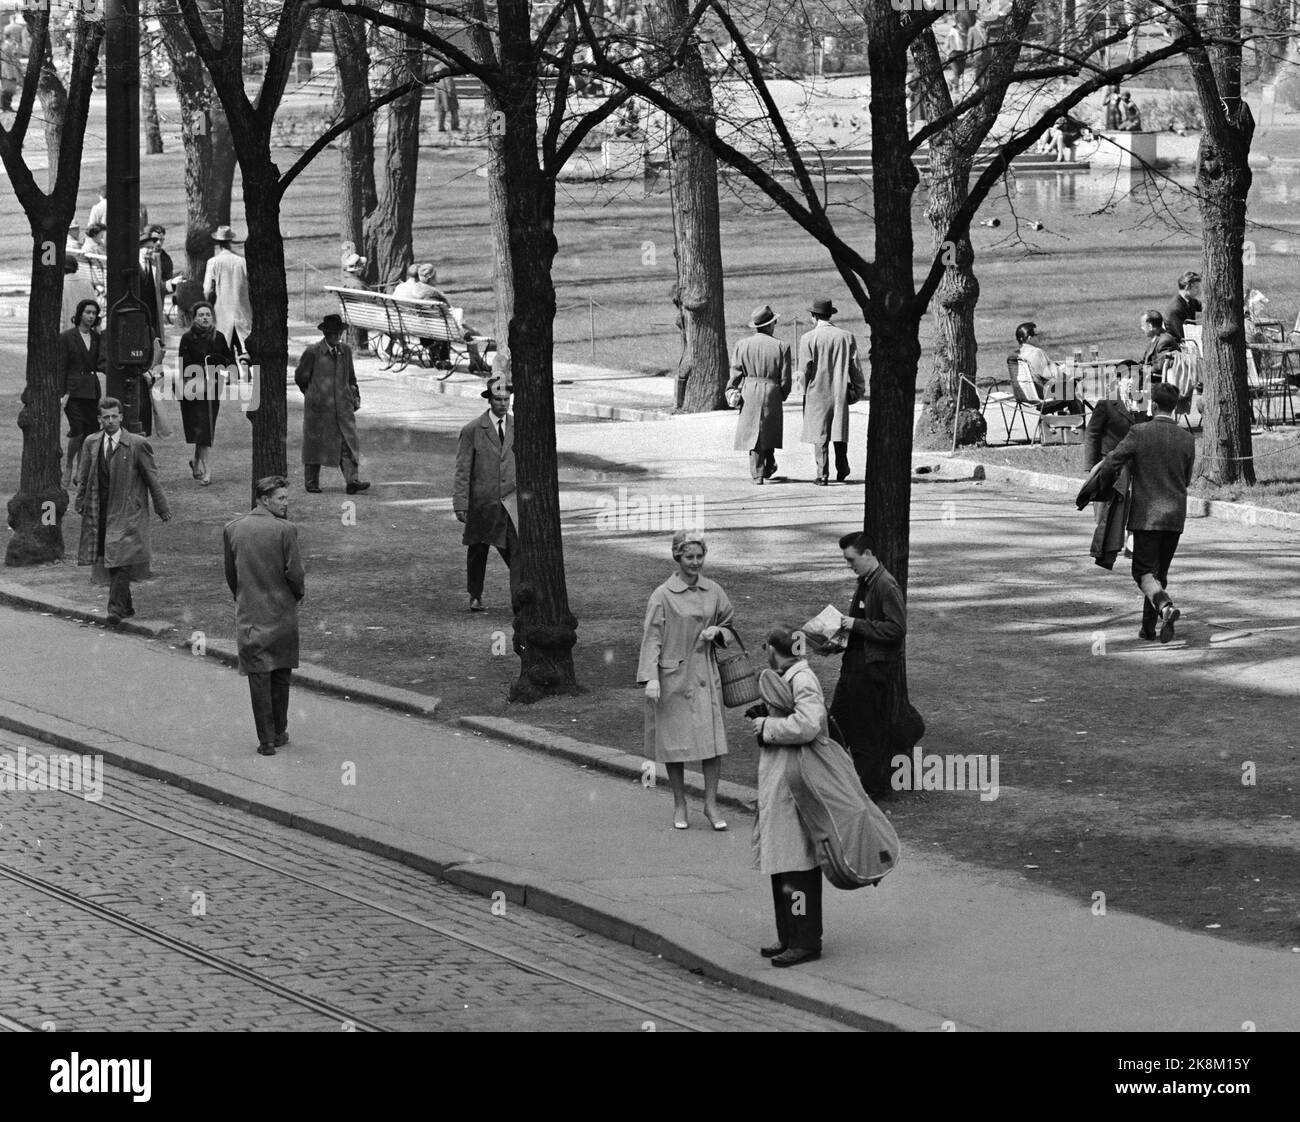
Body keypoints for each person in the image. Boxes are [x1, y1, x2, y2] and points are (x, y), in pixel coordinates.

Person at [637, 529, 738, 831]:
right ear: (677, 557)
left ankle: (710, 803)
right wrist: (650, 678)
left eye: (700, 556)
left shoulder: (714, 591)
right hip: (673, 677)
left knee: (712, 743)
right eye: (689, 557)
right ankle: (680, 804)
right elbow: (652, 638)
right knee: (675, 743)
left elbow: (730, 625)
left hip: (706, 675)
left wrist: (718, 632)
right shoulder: (662, 595)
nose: (695, 562)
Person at [748, 626, 826, 969]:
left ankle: (805, 940)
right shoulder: (790, 676)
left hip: (795, 778)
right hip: (783, 776)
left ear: (773, 650)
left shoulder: (802, 680)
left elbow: (808, 725)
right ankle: (790, 935)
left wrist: (767, 726)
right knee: (782, 860)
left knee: (797, 862)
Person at [1097, 382, 1195, 643]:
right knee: (1158, 574)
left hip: (1146, 516)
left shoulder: (1138, 432)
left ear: (1152, 405)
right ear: (1174, 408)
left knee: (1142, 573)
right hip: (1175, 516)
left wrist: (1101, 485)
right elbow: (1186, 479)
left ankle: (1165, 606)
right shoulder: (1187, 438)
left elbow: (1113, 461)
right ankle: (1148, 628)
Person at [223, 476, 306, 757]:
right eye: (281, 498)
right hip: (281, 613)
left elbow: (231, 575)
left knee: (258, 677)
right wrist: (295, 595)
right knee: (281, 674)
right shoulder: (286, 531)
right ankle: (280, 729)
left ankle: (266, 739)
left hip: (250, 614)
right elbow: (295, 574)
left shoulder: (233, 529)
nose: (286, 503)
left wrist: (245, 597)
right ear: (265, 499)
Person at [74, 397, 171, 627]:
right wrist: (80, 502)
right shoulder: (91, 442)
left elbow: (152, 478)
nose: (110, 421)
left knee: (121, 558)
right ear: (99, 419)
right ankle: (125, 606)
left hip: (128, 511)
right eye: (105, 417)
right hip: (101, 508)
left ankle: (115, 609)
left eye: (114, 416)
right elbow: (85, 476)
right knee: (115, 559)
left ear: (121, 417)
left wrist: (162, 507)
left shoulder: (137, 444)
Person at [826, 531, 908, 800]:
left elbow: (896, 629)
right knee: (837, 724)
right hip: (854, 666)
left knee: (865, 731)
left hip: (870, 670)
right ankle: (847, 785)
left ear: (868, 554)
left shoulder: (885, 585)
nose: (849, 566)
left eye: (851, 560)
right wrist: (835, 641)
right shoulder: (866, 581)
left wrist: (856, 625)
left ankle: (871, 791)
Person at [453, 377, 517, 612]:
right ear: (489, 401)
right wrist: (461, 503)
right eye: (498, 400)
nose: (503, 404)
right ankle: (475, 595)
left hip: (509, 501)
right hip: (482, 503)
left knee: (515, 551)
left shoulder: (516, 427)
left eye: (506, 400)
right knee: (478, 551)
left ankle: (522, 596)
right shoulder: (472, 430)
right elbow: (462, 469)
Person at [294, 313, 370, 495]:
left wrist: (354, 395)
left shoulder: (345, 351)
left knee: (347, 442)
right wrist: (313, 394)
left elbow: (351, 377)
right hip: (319, 409)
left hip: (343, 407)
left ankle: (352, 481)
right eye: (333, 334)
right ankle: (311, 482)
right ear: (326, 334)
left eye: (339, 333)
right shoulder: (313, 352)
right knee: (315, 443)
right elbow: (300, 377)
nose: (337, 337)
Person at [799, 298, 866, 485]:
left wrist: (801, 391)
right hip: (839, 390)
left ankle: (822, 473)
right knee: (838, 430)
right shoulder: (846, 336)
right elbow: (855, 367)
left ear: (813, 316)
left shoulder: (807, 339)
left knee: (819, 434)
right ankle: (842, 467)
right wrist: (859, 389)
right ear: (830, 315)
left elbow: (804, 370)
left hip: (816, 392)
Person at [726, 304, 792, 484]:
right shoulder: (781, 346)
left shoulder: (742, 345)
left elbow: (736, 372)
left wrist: (732, 389)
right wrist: (782, 394)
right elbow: (785, 379)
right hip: (772, 390)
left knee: (753, 432)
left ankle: (757, 472)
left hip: (750, 390)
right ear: (770, 325)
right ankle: (768, 464)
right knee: (769, 430)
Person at [177, 301, 235, 486]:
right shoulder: (187, 338)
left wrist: (220, 364)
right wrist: (202, 368)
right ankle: (207, 468)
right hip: (193, 389)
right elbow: (183, 364)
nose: (205, 318)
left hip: (213, 388)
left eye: (208, 314)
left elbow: (228, 359)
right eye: (201, 315)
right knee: (201, 428)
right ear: (194, 318)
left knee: (205, 428)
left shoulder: (218, 337)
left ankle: (196, 462)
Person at [59, 299, 104, 490]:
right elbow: (61, 366)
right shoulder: (67, 337)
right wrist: (62, 393)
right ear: (80, 314)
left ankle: (81, 470)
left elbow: (100, 361)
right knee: (77, 430)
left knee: (89, 433)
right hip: (73, 391)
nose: (91, 316)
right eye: (87, 312)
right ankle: (69, 464)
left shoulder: (97, 338)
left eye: (94, 313)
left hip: (91, 391)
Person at [203, 225, 253, 353]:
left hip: (222, 314)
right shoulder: (243, 262)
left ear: (218, 243)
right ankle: (245, 372)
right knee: (244, 351)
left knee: (223, 353)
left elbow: (207, 290)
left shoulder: (213, 262)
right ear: (230, 241)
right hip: (242, 312)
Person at [1014, 322, 1082, 415]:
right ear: (1030, 338)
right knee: (1072, 385)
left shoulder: (1016, 355)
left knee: (1068, 389)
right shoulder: (1036, 353)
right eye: (1037, 335)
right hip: (1044, 397)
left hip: (1025, 395)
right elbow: (1055, 377)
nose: (1040, 337)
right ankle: (1078, 425)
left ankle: (1068, 425)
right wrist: (1068, 371)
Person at [1163, 270, 1201, 344]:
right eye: (1196, 287)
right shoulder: (1175, 309)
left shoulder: (1190, 300)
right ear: (1187, 287)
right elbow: (1182, 336)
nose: (1199, 291)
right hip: (1178, 346)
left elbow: (1203, 306)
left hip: (1190, 340)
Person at [61, 256, 97, 330]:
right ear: (76, 269)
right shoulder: (87, 284)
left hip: (67, 334)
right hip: (87, 333)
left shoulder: (61, 286)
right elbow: (95, 309)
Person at [944, 21, 966, 91]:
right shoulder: (951, 33)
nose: (961, 26)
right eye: (960, 25)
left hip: (961, 53)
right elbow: (949, 45)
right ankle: (956, 88)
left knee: (959, 72)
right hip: (953, 54)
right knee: (956, 72)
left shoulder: (961, 33)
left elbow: (964, 44)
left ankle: (951, 82)